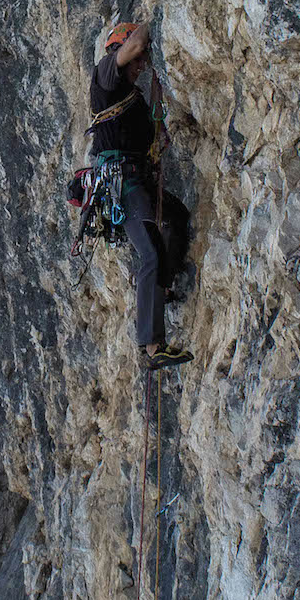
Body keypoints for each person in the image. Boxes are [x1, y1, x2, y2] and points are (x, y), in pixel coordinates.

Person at [90, 22, 192, 370]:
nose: (141, 65)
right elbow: (135, 44)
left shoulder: (130, 97)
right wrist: (152, 20)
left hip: (139, 181)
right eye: (138, 61)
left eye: (144, 61)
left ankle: (161, 288)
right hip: (125, 185)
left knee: (177, 220)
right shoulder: (106, 76)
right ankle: (152, 345)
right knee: (149, 252)